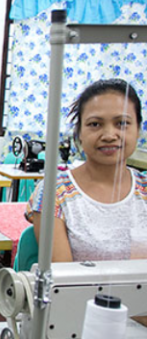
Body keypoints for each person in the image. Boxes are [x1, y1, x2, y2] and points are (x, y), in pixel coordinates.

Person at [27, 78, 147, 262]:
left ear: (138, 129)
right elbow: (63, 281)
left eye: (121, 123)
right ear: (80, 133)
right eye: (95, 124)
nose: (109, 135)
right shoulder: (54, 193)